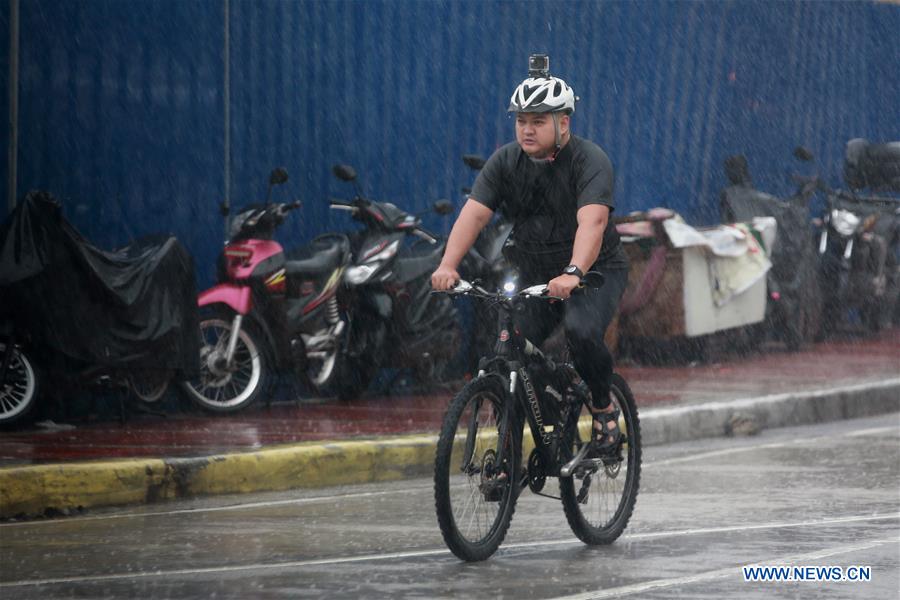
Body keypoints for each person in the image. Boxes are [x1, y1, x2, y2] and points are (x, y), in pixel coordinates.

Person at [431, 55, 629, 455]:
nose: (527, 129)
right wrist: (448, 264)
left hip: (594, 271)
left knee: (581, 331)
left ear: (564, 123)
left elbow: (591, 223)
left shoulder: (591, 161)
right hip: (535, 271)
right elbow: (474, 213)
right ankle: (513, 454)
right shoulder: (506, 162)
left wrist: (574, 273)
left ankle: (604, 407)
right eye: (522, 120)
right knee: (509, 349)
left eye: (538, 121)